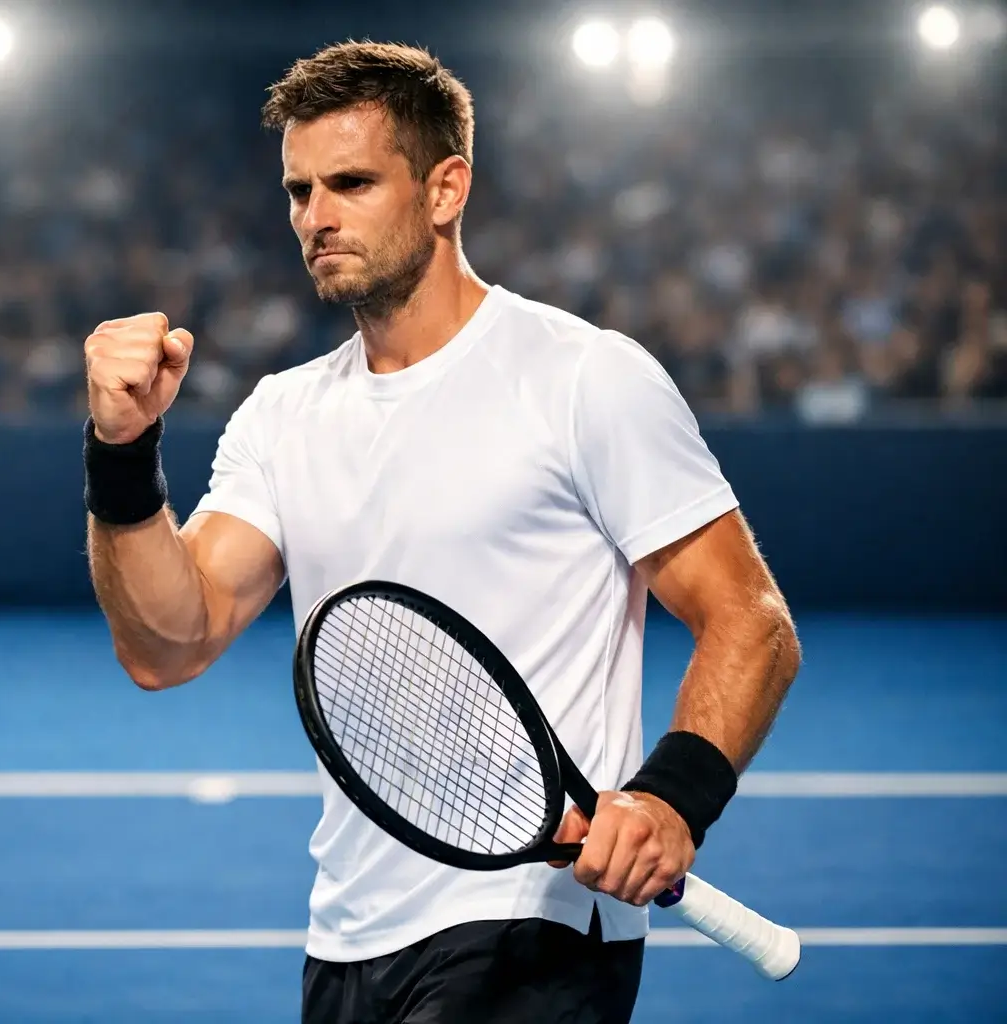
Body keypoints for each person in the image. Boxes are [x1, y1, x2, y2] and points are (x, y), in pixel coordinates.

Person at [82, 42, 801, 1024]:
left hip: (534, 930)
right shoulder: (282, 414)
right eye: (298, 190)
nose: (315, 216)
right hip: (348, 936)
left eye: (351, 182)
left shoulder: (583, 377)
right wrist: (122, 456)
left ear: (445, 188)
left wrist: (671, 798)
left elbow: (750, 617)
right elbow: (167, 643)